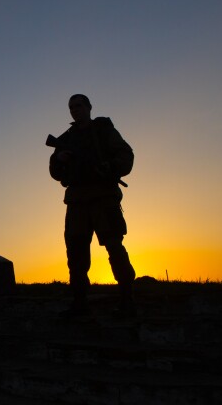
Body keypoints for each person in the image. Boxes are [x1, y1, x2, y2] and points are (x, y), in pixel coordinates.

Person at [48, 94, 136, 318]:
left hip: (103, 197)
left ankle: (128, 299)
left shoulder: (103, 130)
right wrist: (60, 160)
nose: (75, 110)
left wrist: (110, 167)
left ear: (88, 107)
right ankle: (79, 303)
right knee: (76, 254)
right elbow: (55, 172)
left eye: (78, 106)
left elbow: (126, 155)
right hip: (77, 201)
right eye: (71, 107)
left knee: (114, 246)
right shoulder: (66, 138)